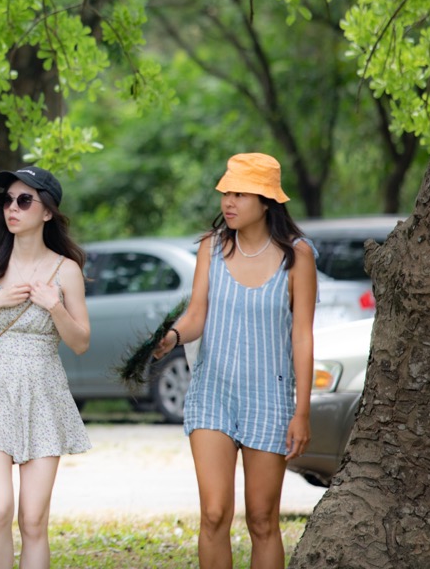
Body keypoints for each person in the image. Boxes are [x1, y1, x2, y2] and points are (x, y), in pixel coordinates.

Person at [154, 152, 316, 569]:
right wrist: (172, 337)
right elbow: (196, 315)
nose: (228, 201)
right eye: (226, 192)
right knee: (213, 514)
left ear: (267, 201)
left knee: (262, 520)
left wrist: (301, 412)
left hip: (270, 399)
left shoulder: (298, 257)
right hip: (212, 394)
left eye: (241, 193)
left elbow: (302, 336)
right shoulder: (211, 248)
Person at [0, 165, 91, 569]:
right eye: (7, 200)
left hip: (44, 392)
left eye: (24, 200)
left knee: (33, 520)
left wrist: (55, 306)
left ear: (47, 211)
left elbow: (81, 343)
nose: (12, 208)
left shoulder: (66, 270)